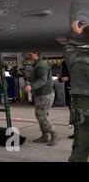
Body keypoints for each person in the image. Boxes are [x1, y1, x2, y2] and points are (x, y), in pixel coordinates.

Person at [65, 21, 89, 162]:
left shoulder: (74, 57)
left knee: (80, 149)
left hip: (82, 111)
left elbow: (68, 47)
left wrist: (76, 34)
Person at [24, 52, 60, 146]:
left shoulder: (41, 65)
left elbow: (42, 80)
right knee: (41, 114)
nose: (29, 56)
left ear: (37, 54)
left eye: (31, 54)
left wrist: (32, 86)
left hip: (45, 94)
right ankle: (45, 136)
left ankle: (54, 134)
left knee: (41, 115)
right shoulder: (37, 65)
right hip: (41, 94)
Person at [58, 60, 74, 139]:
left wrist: (69, 78)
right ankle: (77, 132)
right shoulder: (64, 62)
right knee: (71, 111)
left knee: (76, 112)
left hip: (76, 90)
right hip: (68, 90)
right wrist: (61, 78)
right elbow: (64, 75)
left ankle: (79, 133)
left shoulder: (76, 62)